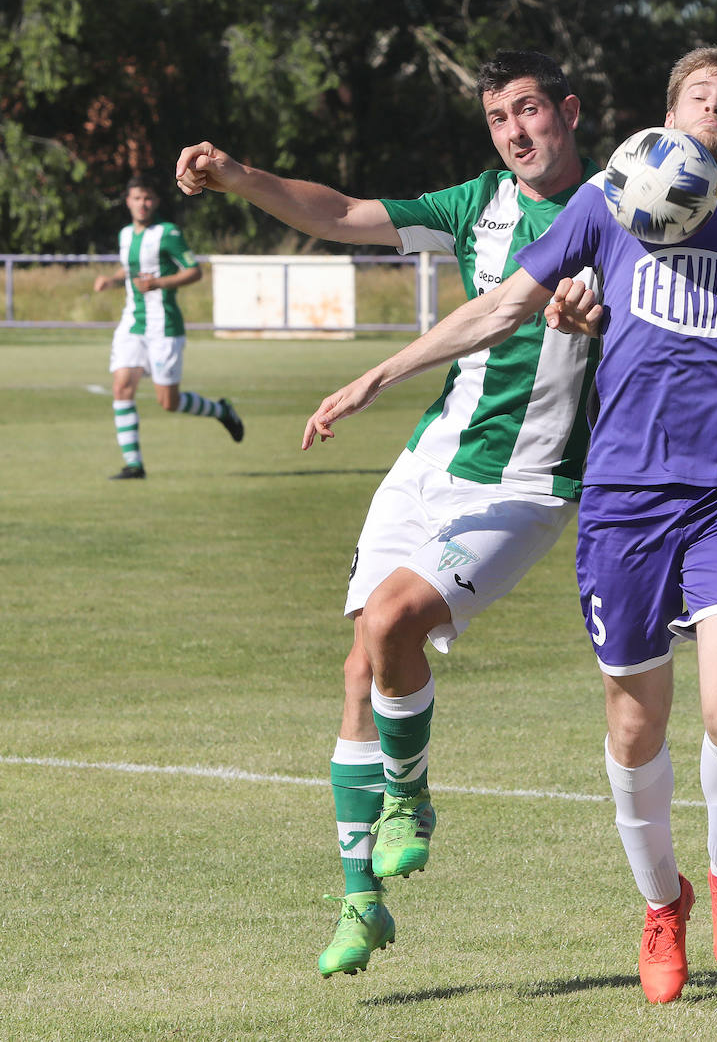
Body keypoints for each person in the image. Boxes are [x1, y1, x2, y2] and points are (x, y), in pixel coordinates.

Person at [298, 47, 717, 1003]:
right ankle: (662, 906)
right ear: (669, 116)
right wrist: (379, 375)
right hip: (620, 504)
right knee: (635, 728)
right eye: (700, 94)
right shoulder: (611, 204)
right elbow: (504, 306)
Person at [174, 50, 600, 979]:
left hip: (526, 484)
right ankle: (360, 900)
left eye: (528, 111)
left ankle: (411, 792)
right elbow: (340, 215)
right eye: (498, 119)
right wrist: (238, 174)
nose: (515, 133)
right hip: (430, 462)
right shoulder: (475, 204)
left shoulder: (622, 209)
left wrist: (600, 320)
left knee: (391, 619)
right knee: (359, 663)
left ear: (567, 110)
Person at [93, 174, 243, 479]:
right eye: (137, 198)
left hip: (164, 325)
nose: (142, 204)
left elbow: (194, 271)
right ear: (128, 202)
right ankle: (133, 465)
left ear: (156, 202)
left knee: (168, 402)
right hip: (132, 323)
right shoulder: (125, 235)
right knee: (121, 386)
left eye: (148, 198)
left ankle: (221, 411)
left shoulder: (168, 233)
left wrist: (159, 282)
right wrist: (112, 279)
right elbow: (131, 265)